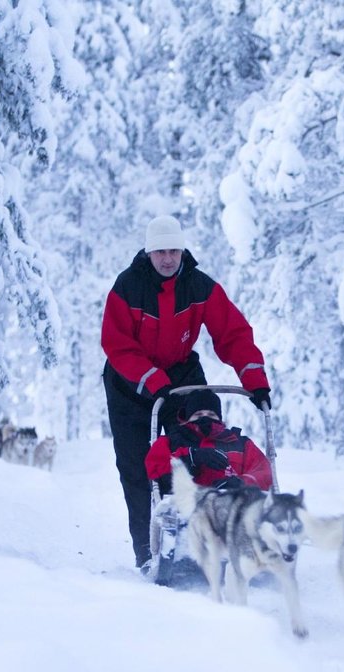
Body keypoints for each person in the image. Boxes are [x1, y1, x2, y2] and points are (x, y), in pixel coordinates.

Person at [101, 214, 272, 569]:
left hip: (180, 373)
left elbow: (233, 333)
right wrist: (151, 379)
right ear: (149, 253)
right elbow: (116, 344)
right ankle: (148, 551)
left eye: (173, 252)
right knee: (138, 467)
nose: (167, 259)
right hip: (129, 382)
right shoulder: (128, 287)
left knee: (193, 450)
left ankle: (202, 533)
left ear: (182, 252)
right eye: (160, 252)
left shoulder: (199, 286)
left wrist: (253, 378)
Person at [144, 388, 273, 495]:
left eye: (211, 415)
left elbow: (264, 473)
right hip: (184, 511)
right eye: (198, 415)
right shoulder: (170, 442)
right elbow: (157, 472)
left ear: (220, 418)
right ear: (187, 419)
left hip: (233, 510)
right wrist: (190, 458)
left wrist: (241, 483)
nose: (205, 418)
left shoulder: (240, 444)